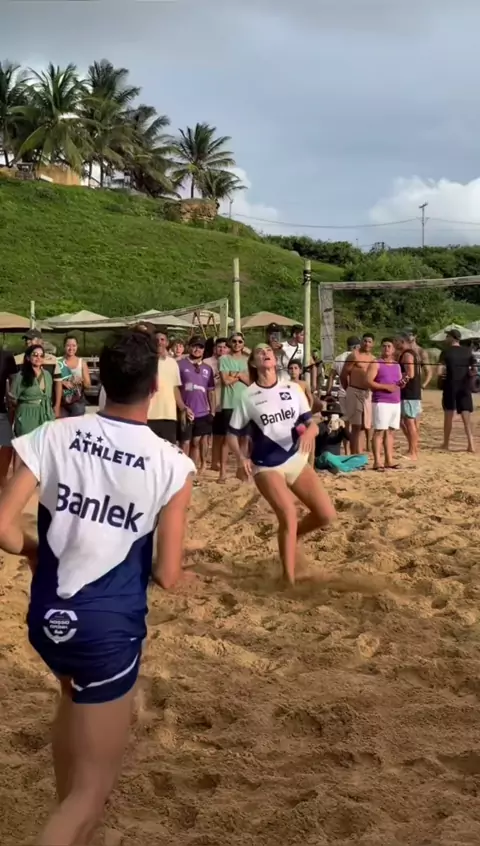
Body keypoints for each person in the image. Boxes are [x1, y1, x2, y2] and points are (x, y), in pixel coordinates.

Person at [0, 329, 195, 846]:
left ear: (100, 380)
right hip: (106, 629)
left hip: (47, 617)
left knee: (71, 696)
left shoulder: (55, 434)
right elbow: (167, 573)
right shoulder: (172, 463)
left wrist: (32, 550)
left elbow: (2, 526)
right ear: (155, 386)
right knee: (90, 797)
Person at [227, 343, 336, 584]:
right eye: (259, 351)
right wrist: (241, 458)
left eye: (268, 351)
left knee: (326, 515)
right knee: (288, 513)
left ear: (275, 360)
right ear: (253, 363)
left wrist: (309, 434)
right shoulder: (248, 395)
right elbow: (231, 435)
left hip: (295, 459)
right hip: (266, 465)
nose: (265, 353)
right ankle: (288, 580)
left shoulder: (292, 388)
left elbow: (311, 423)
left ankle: (292, 536)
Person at [178, 337, 216, 471]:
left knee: (196, 442)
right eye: (194, 346)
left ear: (204, 350)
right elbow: (175, 388)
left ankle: (192, 469)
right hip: (185, 411)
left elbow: (211, 391)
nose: (197, 349)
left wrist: (212, 411)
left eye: (200, 347)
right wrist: (181, 406)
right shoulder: (180, 365)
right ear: (189, 347)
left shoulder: (208, 368)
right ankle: (182, 469)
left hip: (202, 411)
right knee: (185, 442)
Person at [366, 338, 403, 471]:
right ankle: (377, 461)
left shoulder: (397, 365)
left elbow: (398, 382)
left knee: (391, 431)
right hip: (381, 401)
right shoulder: (376, 363)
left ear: (393, 349)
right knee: (379, 431)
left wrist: (402, 383)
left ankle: (389, 460)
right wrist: (385, 387)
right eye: (384, 346)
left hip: (395, 401)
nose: (386, 348)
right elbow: (369, 381)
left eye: (389, 346)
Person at [218, 332, 250, 482]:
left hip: (244, 404)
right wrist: (241, 375)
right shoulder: (224, 359)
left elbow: (250, 382)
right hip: (229, 403)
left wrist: (235, 375)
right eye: (234, 341)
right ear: (230, 343)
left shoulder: (247, 360)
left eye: (240, 341)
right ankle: (222, 472)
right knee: (227, 439)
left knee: (244, 438)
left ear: (243, 344)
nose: (237, 344)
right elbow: (225, 381)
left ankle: (240, 469)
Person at [438, 329, 476, 452]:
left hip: (450, 385)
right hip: (464, 386)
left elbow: (439, 371)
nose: (445, 339)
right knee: (466, 416)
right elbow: (474, 370)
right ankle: (471, 444)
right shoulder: (468, 351)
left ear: (452, 338)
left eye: (447, 336)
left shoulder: (445, 352)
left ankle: (446, 443)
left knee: (449, 414)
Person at [147, 329, 187, 445]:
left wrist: (183, 407)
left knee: (168, 450)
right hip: (148, 414)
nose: (159, 342)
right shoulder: (146, 361)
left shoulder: (173, 363)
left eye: (162, 339)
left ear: (167, 343)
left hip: (169, 415)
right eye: (156, 340)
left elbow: (175, 388)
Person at [10, 345, 56, 437]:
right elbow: (12, 400)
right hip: (27, 415)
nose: (38, 358)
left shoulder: (47, 375)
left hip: (46, 415)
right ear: (28, 357)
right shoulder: (20, 376)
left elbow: (49, 396)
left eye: (41, 355)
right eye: (35, 355)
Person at [341, 333, 375, 454]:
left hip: (367, 393)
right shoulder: (354, 355)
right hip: (354, 390)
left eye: (369, 341)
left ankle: (359, 452)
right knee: (356, 425)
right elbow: (344, 374)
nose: (367, 344)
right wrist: (349, 389)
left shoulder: (373, 359)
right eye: (365, 341)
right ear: (361, 342)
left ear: (373, 344)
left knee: (364, 425)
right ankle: (354, 454)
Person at [15, 330, 62, 417]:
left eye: (31, 339)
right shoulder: (17, 360)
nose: (28, 342)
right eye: (26, 339)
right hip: (26, 408)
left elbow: (58, 383)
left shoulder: (53, 360)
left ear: (41, 342)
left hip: (47, 407)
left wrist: (57, 406)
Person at [327, 336, 361, 448]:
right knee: (356, 423)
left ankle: (346, 448)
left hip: (342, 393)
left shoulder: (338, 358)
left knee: (345, 422)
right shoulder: (358, 357)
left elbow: (331, 375)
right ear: (356, 347)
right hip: (356, 393)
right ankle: (356, 446)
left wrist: (329, 391)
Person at [204, 337, 229, 471]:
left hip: (227, 402)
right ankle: (213, 462)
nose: (222, 349)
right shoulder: (207, 362)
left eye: (225, 347)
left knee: (226, 436)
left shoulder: (231, 361)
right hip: (212, 403)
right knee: (215, 436)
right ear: (214, 348)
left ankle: (221, 462)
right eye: (219, 347)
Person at [396, 332, 421, 460]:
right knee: (406, 422)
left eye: (397, 341)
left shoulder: (407, 355)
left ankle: (413, 451)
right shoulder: (412, 353)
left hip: (409, 393)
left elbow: (410, 374)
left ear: (402, 341)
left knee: (409, 422)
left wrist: (399, 382)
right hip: (412, 393)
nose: (395, 343)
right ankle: (412, 448)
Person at [58, 335, 91, 417]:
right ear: (64, 346)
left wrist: (80, 381)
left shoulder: (82, 363)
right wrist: (61, 382)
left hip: (77, 401)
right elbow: (50, 380)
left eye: (74, 345)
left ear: (77, 346)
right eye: (68, 345)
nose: (71, 348)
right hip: (61, 401)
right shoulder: (58, 362)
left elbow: (88, 385)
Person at [0, 346, 17, 485]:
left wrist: (11, 403)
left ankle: (2, 476)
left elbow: (13, 381)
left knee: (8, 443)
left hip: (1, 409)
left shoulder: (6, 356)